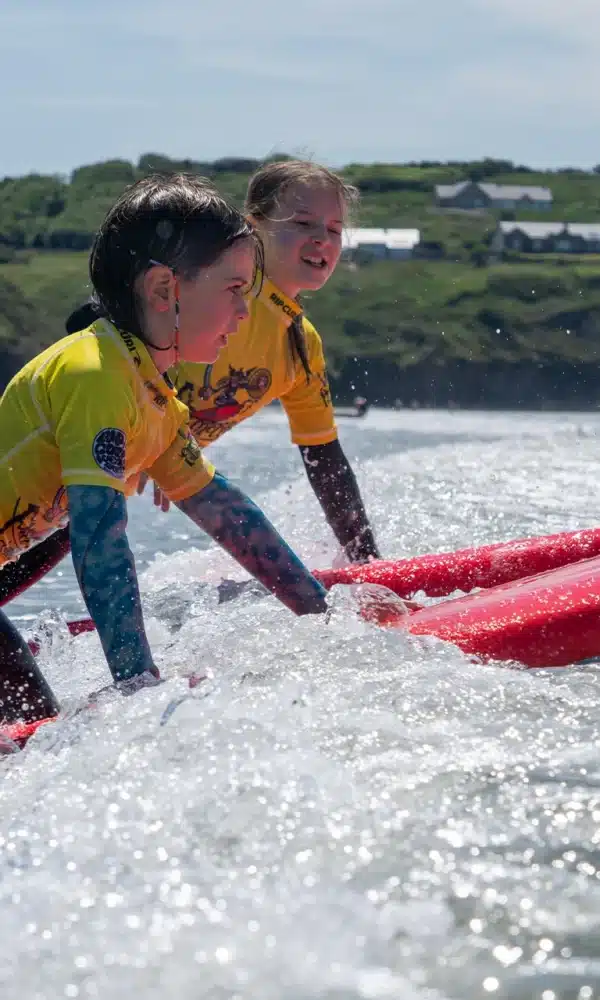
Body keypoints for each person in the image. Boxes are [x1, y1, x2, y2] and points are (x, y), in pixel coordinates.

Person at [0, 174, 329, 729]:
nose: (245, 314)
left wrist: (324, 615)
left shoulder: (152, 398)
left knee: (34, 735)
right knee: (36, 739)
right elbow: (99, 542)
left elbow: (227, 514)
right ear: (163, 290)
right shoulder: (96, 374)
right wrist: (139, 686)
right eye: (232, 290)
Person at [70, 161, 380, 562]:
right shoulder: (215, 291)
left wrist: (368, 562)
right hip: (81, 442)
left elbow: (324, 459)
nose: (322, 239)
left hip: (121, 468)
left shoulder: (300, 345)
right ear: (254, 228)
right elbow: (88, 322)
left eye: (335, 230)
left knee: (50, 532)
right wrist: (160, 431)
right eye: (303, 224)